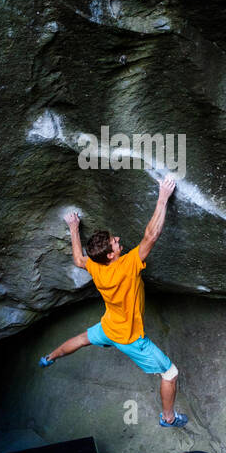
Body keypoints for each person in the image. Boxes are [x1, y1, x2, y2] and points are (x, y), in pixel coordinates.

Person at [39, 176, 188, 428]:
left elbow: (78, 259)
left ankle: (49, 357)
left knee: (83, 339)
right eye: (115, 243)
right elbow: (152, 235)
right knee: (170, 374)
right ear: (111, 255)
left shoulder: (96, 267)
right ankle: (168, 418)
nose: (118, 240)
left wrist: (73, 228)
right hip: (130, 338)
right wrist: (163, 196)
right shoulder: (128, 265)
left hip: (109, 327)